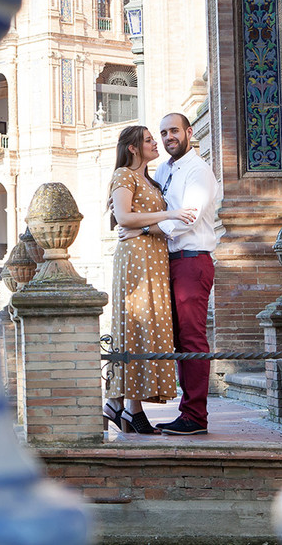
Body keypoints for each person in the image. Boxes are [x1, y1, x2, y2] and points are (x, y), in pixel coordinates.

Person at [120, 113, 218, 435]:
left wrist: (145, 229)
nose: (167, 137)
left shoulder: (198, 171)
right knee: (175, 339)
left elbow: (186, 217)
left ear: (189, 132)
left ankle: (195, 416)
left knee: (192, 339)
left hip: (191, 260)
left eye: (173, 131)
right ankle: (183, 411)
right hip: (168, 263)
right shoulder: (163, 169)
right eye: (162, 133)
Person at [104, 125, 197, 434]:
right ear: (133, 148)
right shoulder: (124, 176)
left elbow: (139, 224)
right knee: (136, 325)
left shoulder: (151, 180)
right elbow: (124, 217)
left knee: (149, 326)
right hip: (135, 262)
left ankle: (123, 405)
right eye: (147, 140)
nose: (155, 143)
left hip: (154, 258)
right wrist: (169, 215)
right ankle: (130, 408)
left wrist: (148, 227)